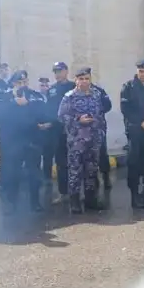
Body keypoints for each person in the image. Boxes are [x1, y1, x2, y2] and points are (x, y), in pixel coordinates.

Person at [0, 70, 47, 215]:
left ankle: (35, 202)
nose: (22, 85)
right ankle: (11, 203)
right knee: (12, 173)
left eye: (24, 82)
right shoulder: (4, 97)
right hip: (12, 143)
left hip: (32, 140)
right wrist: (14, 103)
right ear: (13, 84)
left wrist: (27, 105)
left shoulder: (34, 96)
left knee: (34, 173)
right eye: (19, 83)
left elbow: (41, 113)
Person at [58, 67, 108, 213]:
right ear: (76, 80)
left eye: (87, 79)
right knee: (75, 171)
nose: (84, 82)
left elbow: (101, 113)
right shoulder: (69, 96)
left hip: (93, 139)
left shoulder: (96, 94)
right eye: (81, 79)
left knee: (92, 170)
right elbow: (62, 116)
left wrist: (99, 128)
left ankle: (90, 200)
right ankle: (74, 202)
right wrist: (78, 119)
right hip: (77, 141)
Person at [120, 59, 144, 209]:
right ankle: (135, 196)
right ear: (137, 71)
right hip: (136, 132)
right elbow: (126, 109)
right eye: (141, 71)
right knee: (134, 164)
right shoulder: (128, 87)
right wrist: (141, 122)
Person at [44, 62, 76, 203]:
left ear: (66, 71)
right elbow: (50, 110)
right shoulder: (51, 90)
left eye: (60, 71)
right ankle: (64, 193)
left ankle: (77, 191)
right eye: (55, 71)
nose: (57, 74)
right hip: (57, 130)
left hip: (73, 129)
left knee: (76, 161)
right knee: (61, 162)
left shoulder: (73, 87)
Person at [90, 78, 113, 190]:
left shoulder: (99, 91)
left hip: (98, 126)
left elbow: (108, 105)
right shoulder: (75, 92)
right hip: (83, 130)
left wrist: (97, 112)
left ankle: (106, 177)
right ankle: (93, 181)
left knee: (102, 153)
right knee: (88, 156)